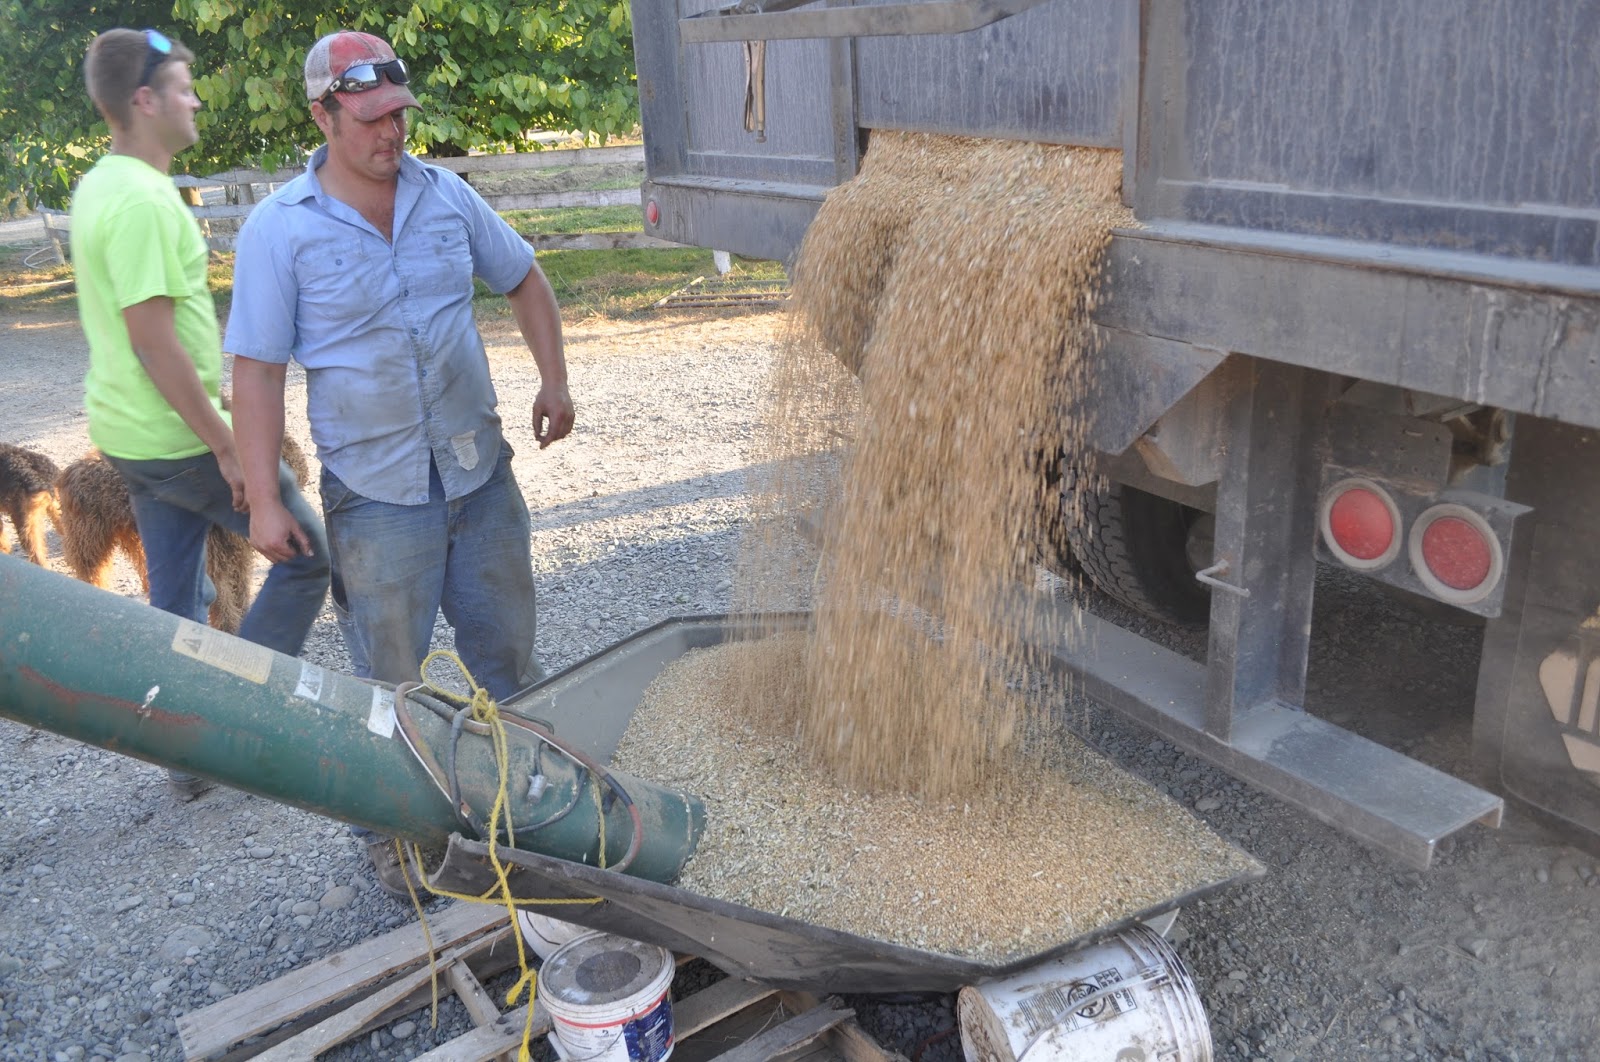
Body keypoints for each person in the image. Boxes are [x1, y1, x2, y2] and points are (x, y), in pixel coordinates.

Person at [225, 30, 575, 895]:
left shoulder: (447, 197)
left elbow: (525, 277)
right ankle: (395, 832)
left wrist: (554, 379)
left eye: (399, 116)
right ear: (323, 113)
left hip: (478, 476)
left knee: (508, 660)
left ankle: (523, 804)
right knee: (389, 686)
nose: (392, 134)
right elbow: (258, 370)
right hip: (376, 499)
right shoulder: (281, 230)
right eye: (371, 118)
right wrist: (265, 498)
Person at [71, 28, 331, 800]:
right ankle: (234, 723)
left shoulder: (99, 185)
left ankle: (187, 758)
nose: (195, 100)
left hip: (124, 434)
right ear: (143, 101)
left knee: (177, 598)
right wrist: (227, 447)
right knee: (308, 553)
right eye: (183, 87)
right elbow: (153, 341)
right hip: (174, 437)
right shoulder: (147, 203)